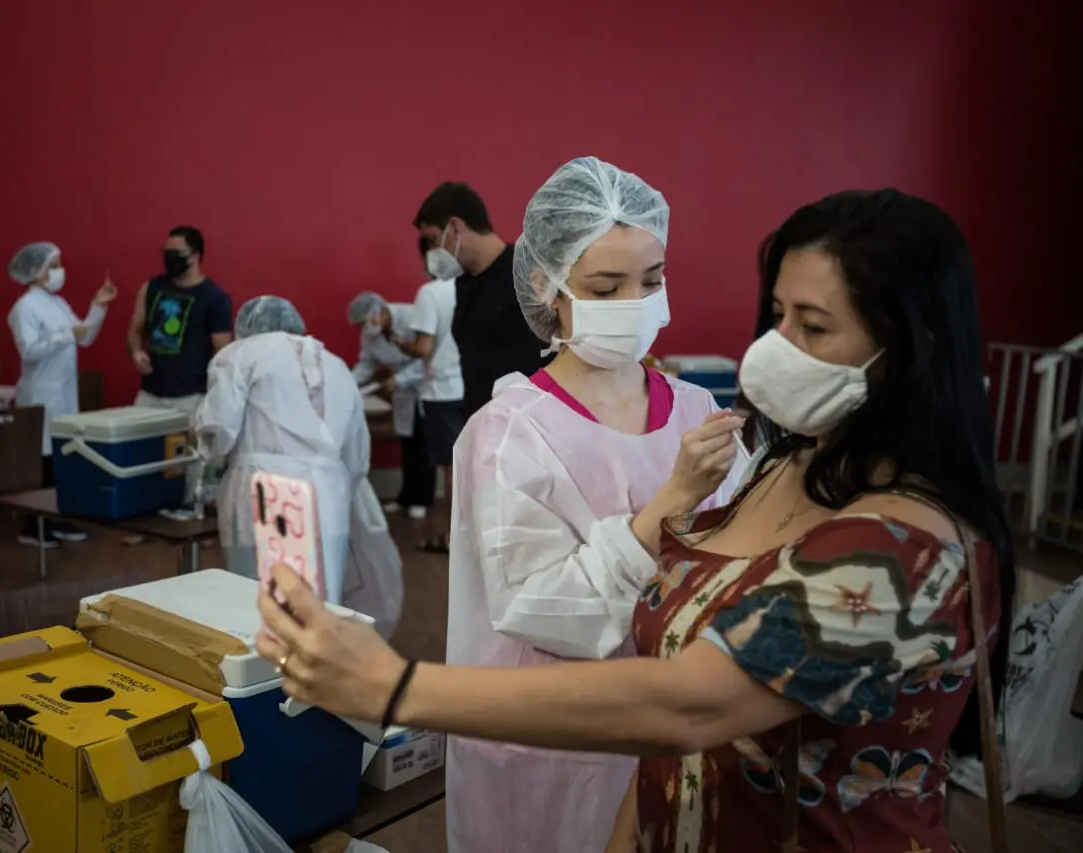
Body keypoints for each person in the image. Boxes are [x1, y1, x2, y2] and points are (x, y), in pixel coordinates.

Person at [255, 188, 1016, 853]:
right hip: (633, 787)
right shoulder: (784, 465)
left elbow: (692, 699)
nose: (775, 350)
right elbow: (562, 615)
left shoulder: (897, 544)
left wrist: (396, 685)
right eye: (778, 317)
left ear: (908, 348)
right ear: (552, 291)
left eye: (812, 328)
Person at [458, 157, 752, 852]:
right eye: (605, 286)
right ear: (545, 285)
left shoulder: (695, 410)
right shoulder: (510, 432)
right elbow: (540, 608)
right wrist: (670, 503)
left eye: (651, 281)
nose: (635, 303)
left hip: (675, 724)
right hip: (552, 742)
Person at [194, 297, 401, 632]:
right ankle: (315, 678)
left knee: (257, 598)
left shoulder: (240, 354)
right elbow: (357, 455)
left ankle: (262, 680)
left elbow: (218, 428)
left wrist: (211, 461)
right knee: (320, 600)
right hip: (328, 493)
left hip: (262, 490)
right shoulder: (334, 363)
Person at [7, 241, 116, 547]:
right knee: (42, 462)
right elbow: (29, 351)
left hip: (63, 391)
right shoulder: (25, 307)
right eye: (53, 265)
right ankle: (34, 525)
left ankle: (59, 518)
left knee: (60, 458)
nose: (59, 271)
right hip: (40, 393)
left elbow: (84, 337)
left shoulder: (56, 303)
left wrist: (98, 306)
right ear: (36, 271)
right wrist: (66, 335)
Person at [414, 181, 546, 419]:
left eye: (433, 240)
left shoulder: (527, 273)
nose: (432, 253)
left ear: (455, 228)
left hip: (531, 424)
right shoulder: (463, 283)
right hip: (483, 423)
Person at [127, 225, 234, 505]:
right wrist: (136, 351)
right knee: (141, 455)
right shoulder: (152, 287)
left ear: (195, 255)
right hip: (151, 390)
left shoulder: (215, 298)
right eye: (166, 252)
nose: (170, 258)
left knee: (193, 460)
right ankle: (142, 514)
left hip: (192, 393)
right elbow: (135, 329)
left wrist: (216, 395)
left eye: (177, 253)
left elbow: (222, 351)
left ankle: (191, 517)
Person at [394, 236, 464, 553]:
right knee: (468, 465)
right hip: (471, 385)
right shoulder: (470, 287)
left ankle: (454, 537)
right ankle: (466, 536)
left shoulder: (431, 293)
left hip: (442, 390)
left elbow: (423, 348)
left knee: (453, 467)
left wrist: (399, 341)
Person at [346, 291, 431, 519]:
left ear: (380, 310)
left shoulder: (413, 316)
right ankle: (406, 497)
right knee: (408, 443)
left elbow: (428, 357)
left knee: (423, 444)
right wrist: (346, 383)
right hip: (402, 390)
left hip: (425, 385)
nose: (366, 327)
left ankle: (422, 499)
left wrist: (400, 379)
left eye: (367, 321)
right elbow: (366, 364)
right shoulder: (370, 333)